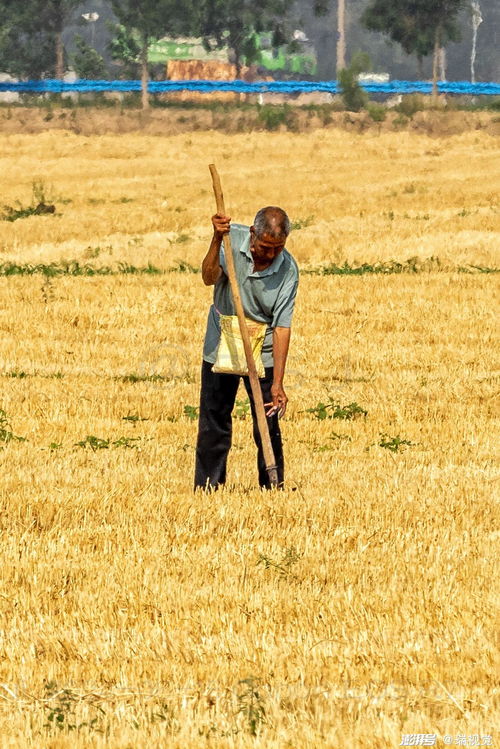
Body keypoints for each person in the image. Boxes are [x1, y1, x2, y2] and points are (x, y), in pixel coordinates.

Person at [194, 206, 299, 491]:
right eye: (265, 247)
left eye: (278, 248)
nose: (271, 254)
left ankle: (272, 486)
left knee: (267, 423)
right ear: (253, 234)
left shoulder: (288, 269)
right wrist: (216, 239)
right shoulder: (230, 241)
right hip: (222, 344)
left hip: (261, 348)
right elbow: (207, 277)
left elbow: (281, 327)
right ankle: (207, 487)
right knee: (213, 421)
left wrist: (278, 382)